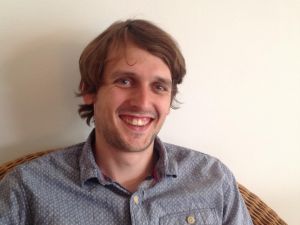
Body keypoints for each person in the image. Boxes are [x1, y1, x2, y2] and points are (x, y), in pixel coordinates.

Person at [0, 19, 253, 225]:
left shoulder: (213, 179)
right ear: (89, 90)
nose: (143, 102)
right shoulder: (26, 190)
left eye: (159, 86)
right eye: (125, 81)